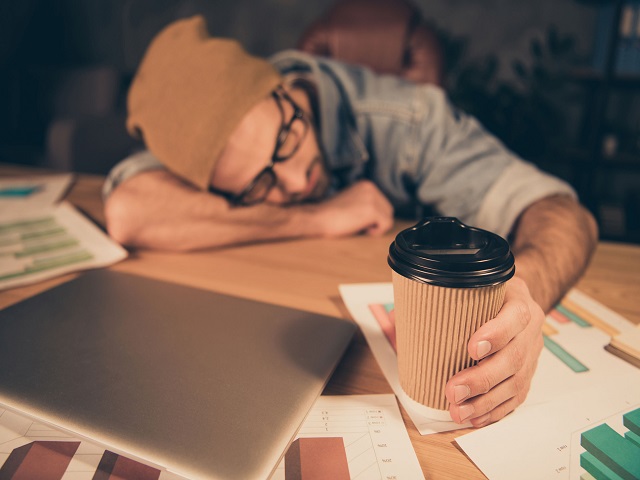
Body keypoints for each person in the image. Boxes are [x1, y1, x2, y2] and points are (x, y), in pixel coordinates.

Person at [103, 16, 598, 428]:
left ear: (282, 87)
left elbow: (564, 214)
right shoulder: (199, 130)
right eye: (259, 186)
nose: (294, 181)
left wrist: (525, 298)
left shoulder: (405, 118)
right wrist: (317, 218)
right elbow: (128, 212)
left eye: (285, 140)